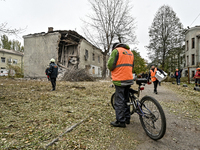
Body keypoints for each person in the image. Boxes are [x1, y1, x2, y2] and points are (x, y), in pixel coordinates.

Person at [107, 43, 134, 128]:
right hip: (129, 78)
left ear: (114, 47)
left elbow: (110, 65)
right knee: (126, 99)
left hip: (120, 79)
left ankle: (120, 121)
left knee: (119, 101)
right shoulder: (130, 52)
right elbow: (131, 66)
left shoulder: (116, 51)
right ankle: (127, 118)